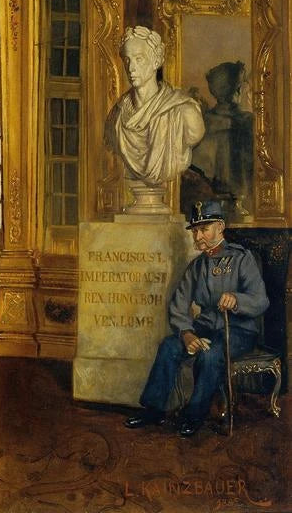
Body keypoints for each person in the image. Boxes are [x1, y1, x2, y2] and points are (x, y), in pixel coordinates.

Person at [124, 199, 269, 436]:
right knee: (169, 346)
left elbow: (261, 300)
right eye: (195, 231)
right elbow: (178, 306)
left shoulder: (242, 259)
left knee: (210, 355)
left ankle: (194, 416)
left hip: (239, 330)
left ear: (220, 227)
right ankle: (154, 410)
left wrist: (237, 300)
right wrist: (187, 334)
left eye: (204, 229)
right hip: (206, 326)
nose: (198, 236)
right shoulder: (197, 266)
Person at [105, 26, 205, 187]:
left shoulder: (184, 111)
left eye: (139, 59)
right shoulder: (116, 115)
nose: (131, 68)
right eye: (127, 60)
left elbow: (195, 134)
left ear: (156, 61)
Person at [191, 61, 253, 216]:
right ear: (238, 90)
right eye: (244, 85)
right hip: (233, 204)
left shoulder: (203, 121)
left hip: (210, 201)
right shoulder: (249, 123)